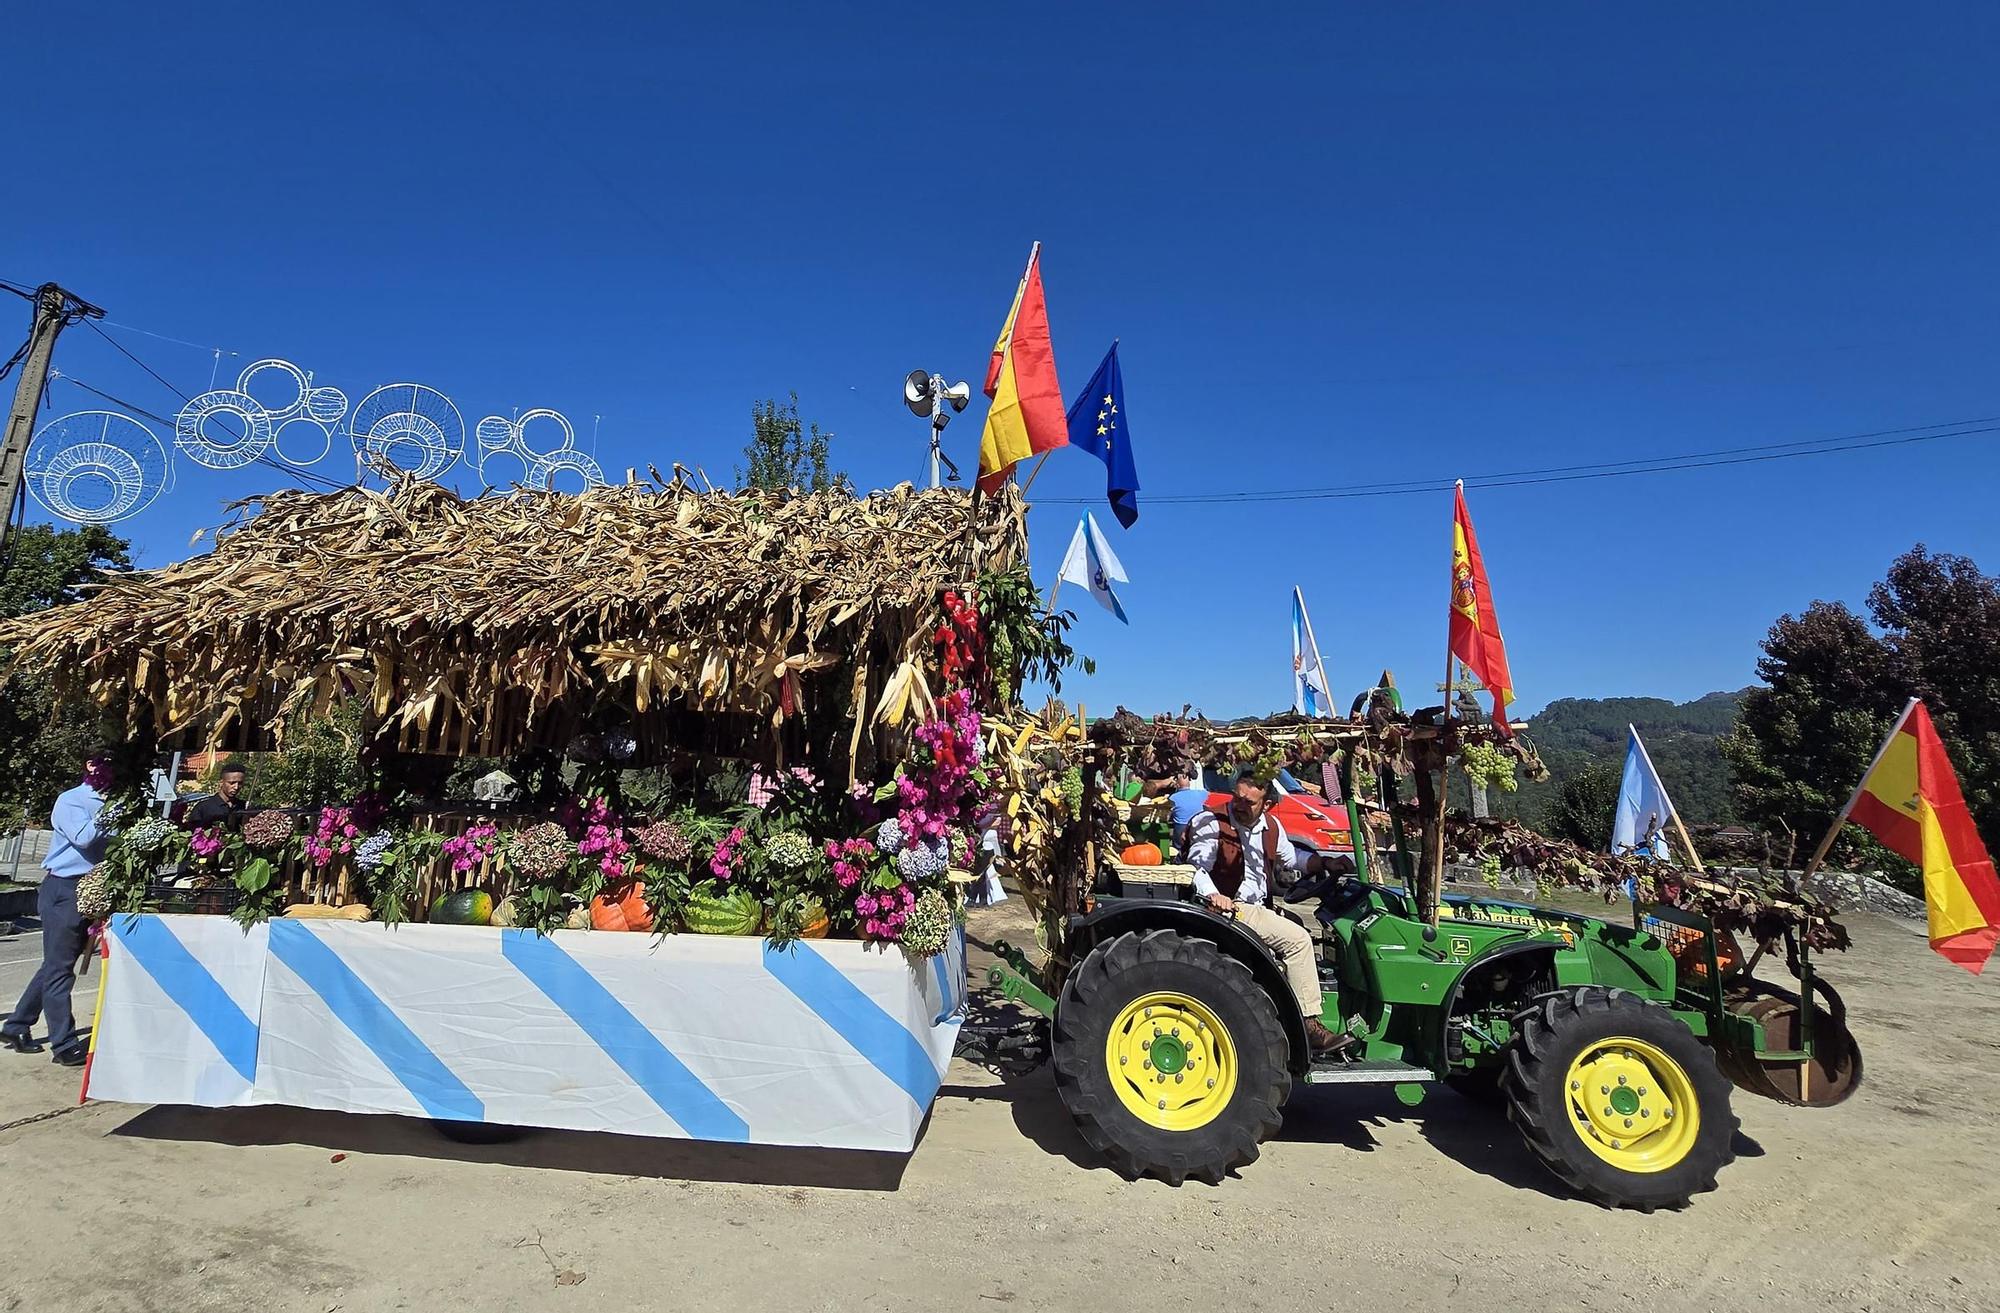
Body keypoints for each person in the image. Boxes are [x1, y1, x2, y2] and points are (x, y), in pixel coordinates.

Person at [1185, 771, 1349, 1055]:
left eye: (1249, 801)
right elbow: (1197, 866)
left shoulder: (1270, 826)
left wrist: (1324, 862)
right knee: (1297, 941)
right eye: (1237, 797)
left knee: (1299, 924)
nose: (1239, 804)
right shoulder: (1212, 822)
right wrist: (1213, 895)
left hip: (1257, 906)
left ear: (1267, 804)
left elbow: (1292, 858)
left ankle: (1286, 1005)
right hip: (1229, 908)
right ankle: (1309, 1024)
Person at [3, 752, 119, 1065]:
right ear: (90, 766)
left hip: (90, 888)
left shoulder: (116, 800)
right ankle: (64, 1045)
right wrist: (113, 814)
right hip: (65, 888)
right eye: (103, 763)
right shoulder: (72, 800)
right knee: (60, 970)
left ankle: (16, 1025)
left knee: (57, 962)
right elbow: (84, 838)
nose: (110, 770)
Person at [185, 759, 249, 830]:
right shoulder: (203, 808)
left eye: (240, 783)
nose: (236, 787)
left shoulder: (245, 807)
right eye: (232, 783)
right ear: (221, 782)